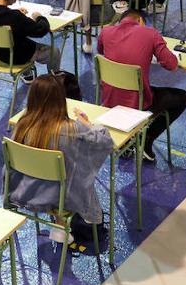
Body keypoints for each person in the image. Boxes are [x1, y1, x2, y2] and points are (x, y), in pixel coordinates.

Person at [9, 73, 115, 241]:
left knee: (60, 168)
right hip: (62, 198)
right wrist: (88, 124)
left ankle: (59, 223)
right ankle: (64, 221)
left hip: (26, 191)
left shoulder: (21, 125)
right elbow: (107, 143)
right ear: (60, 99)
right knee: (77, 166)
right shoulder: (71, 128)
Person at [96, 10, 186, 160]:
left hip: (109, 100)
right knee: (182, 98)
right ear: (140, 20)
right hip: (137, 103)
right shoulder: (150, 33)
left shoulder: (105, 32)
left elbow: (101, 51)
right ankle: (146, 139)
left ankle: (129, 139)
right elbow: (172, 65)